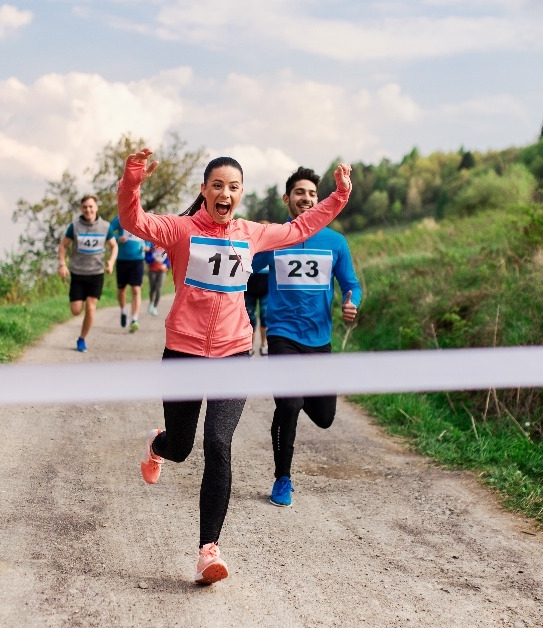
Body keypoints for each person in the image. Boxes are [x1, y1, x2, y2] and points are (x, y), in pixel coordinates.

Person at [118, 148, 351, 585]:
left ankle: (208, 551)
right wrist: (132, 180)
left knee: (218, 443)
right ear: (205, 191)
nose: (225, 193)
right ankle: (158, 444)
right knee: (183, 446)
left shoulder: (252, 233)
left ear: (240, 194)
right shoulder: (180, 229)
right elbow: (134, 221)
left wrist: (338, 197)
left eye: (234, 186)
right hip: (184, 354)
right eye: (218, 185)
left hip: (233, 354)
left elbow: (301, 226)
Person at [253, 166, 362, 507]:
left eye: (313, 194)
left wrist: (350, 303)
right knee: (290, 403)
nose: (307, 198)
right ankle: (282, 478)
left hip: (319, 341)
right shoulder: (276, 237)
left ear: (321, 200)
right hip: (282, 335)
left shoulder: (335, 242)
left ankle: (290, 407)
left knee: (325, 417)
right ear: (287, 199)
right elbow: (246, 265)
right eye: (300, 192)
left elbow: (351, 285)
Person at [57, 194, 117, 352]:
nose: (88, 210)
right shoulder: (75, 226)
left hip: (96, 274)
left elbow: (114, 246)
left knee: (91, 307)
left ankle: (82, 339)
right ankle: (80, 306)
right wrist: (62, 265)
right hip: (77, 273)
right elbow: (63, 246)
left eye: (91, 206)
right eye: (85, 207)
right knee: (76, 310)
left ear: (96, 207)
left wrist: (110, 262)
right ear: (81, 209)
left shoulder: (105, 227)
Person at [108, 213, 147, 332]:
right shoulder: (120, 218)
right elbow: (108, 231)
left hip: (138, 260)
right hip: (122, 260)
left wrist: (148, 245)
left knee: (136, 289)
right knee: (121, 290)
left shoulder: (142, 217)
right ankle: (124, 310)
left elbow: (150, 233)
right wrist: (117, 238)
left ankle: (134, 319)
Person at [244, 221, 270, 356]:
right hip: (249, 289)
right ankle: (250, 346)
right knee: (250, 319)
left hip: (266, 289)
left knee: (265, 317)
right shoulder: (248, 246)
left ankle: (264, 344)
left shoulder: (273, 246)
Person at [145, 244, 170, 315]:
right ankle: (151, 303)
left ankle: (155, 307)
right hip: (152, 270)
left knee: (159, 289)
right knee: (152, 288)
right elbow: (147, 258)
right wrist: (153, 259)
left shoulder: (167, 245)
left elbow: (170, 258)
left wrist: (165, 265)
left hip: (162, 271)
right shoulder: (151, 245)